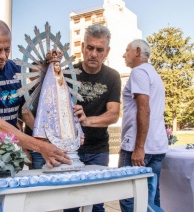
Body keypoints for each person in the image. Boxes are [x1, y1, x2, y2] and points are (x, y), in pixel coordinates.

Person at [0, 19, 72, 169]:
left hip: (12, 154)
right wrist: (40, 146)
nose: (3, 56)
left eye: (7, 49)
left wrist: (51, 141)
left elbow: (25, 113)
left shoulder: (15, 69)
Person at [66, 24, 121, 212]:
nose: (93, 54)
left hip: (98, 149)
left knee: (97, 203)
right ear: (82, 47)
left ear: (107, 52)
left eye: (99, 49)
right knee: (70, 203)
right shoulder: (67, 73)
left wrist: (87, 120)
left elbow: (114, 114)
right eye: (90, 48)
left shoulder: (112, 76)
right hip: (69, 150)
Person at [119, 39, 168, 212]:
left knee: (129, 197)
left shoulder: (139, 72)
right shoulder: (154, 74)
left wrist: (139, 147)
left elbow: (144, 108)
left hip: (139, 148)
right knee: (151, 196)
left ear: (137, 51)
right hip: (156, 146)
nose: (124, 54)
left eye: (127, 50)